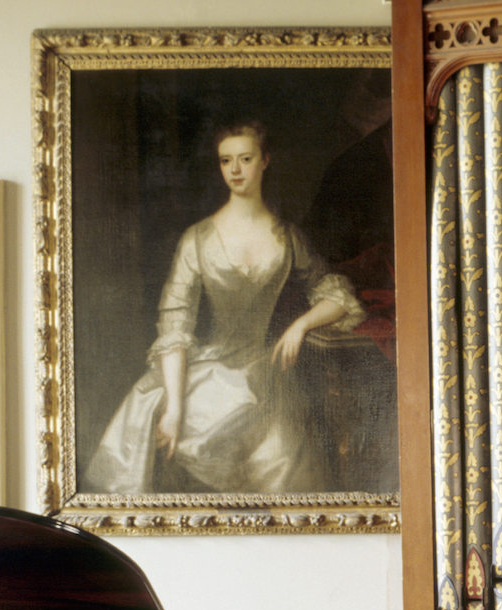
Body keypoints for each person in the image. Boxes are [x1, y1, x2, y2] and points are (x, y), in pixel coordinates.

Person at [85, 119, 364, 494]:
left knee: (284, 460)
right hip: (205, 376)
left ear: (265, 161)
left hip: (265, 375)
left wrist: (300, 325)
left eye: (244, 159)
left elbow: (337, 296)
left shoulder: (287, 237)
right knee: (165, 425)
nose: (234, 170)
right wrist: (175, 407)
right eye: (225, 160)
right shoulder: (197, 239)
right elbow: (174, 325)